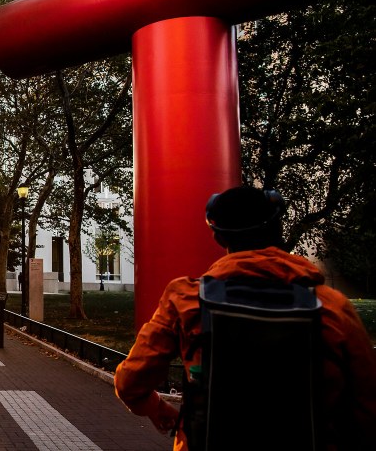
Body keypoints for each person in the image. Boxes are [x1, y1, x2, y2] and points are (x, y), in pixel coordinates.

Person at [114, 186, 376, 449]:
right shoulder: (331, 308)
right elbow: (366, 403)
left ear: (219, 237)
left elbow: (130, 382)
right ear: (277, 228)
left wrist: (157, 407)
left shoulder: (186, 300)